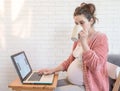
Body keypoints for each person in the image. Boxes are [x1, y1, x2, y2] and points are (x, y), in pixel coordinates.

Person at [38, 2, 120, 91]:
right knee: (47, 87)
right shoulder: (78, 39)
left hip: (88, 86)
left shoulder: (101, 38)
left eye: (82, 22)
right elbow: (69, 61)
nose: (79, 26)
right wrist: (52, 70)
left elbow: (96, 66)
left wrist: (84, 43)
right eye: (76, 23)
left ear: (91, 20)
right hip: (71, 81)